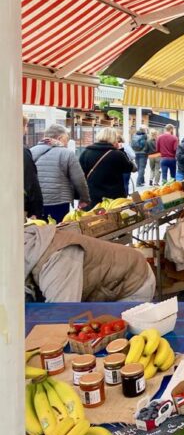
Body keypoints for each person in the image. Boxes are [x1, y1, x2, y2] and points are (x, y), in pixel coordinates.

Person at [24, 223, 156, 302]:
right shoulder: (23, 251)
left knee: (123, 339)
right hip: (108, 284)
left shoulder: (57, 259)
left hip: (134, 280)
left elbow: (62, 314)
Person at [31, 124, 91, 222]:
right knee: (59, 233)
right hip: (59, 202)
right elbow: (79, 180)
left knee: (40, 233)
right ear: (60, 138)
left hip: (36, 203)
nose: (67, 143)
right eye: (66, 139)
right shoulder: (67, 153)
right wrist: (85, 199)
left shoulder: (31, 152)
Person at [79, 128, 136, 206]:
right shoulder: (117, 154)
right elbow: (131, 168)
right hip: (113, 198)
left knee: (93, 217)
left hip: (92, 196)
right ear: (113, 139)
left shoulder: (85, 153)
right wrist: (121, 150)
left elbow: (81, 174)